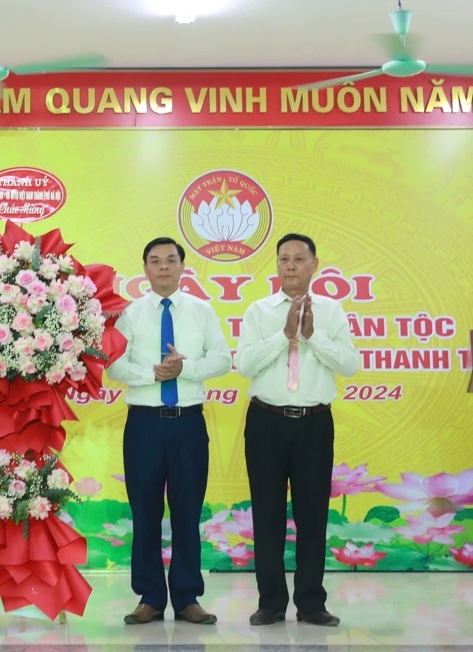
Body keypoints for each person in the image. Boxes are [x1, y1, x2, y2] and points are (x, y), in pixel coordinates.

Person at [107, 237, 231, 625]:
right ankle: (149, 598)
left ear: (182, 267)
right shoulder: (129, 314)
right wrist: (152, 374)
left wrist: (185, 369)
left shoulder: (202, 312)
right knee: (144, 512)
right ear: (144, 269)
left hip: (188, 424)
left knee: (187, 512)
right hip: (143, 425)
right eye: (155, 261)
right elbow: (113, 366)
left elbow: (224, 359)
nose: (163, 267)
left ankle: (187, 597)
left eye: (171, 260)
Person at [237, 233, 359, 627]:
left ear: (314, 265)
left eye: (298, 259)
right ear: (276, 266)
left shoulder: (332, 311)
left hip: (314, 424)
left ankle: (311, 603)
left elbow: (349, 364)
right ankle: (271, 602)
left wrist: (311, 336)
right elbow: (245, 365)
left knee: (312, 516)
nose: (290, 265)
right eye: (283, 259)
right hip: (266, 422)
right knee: (267, 514)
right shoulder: (259, 311)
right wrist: (284, 335)